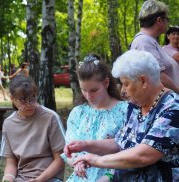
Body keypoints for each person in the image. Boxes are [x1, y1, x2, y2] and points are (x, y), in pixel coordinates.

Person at [64, 50, 179, 182]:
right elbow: (120, 142)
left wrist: (97, 160)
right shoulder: (136, 106)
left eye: (126, 84)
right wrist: (85, 145)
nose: (122, 91)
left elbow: (145, 154)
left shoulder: (172, 107)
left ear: (143, 81)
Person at [61, 54, 128, 182]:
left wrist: (108, 176)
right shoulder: (78, 113)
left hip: (114, 176)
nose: (88, 95)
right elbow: (69, 151)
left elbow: (128, 150)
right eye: (83, 90)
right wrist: (77, 162)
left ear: (106, 83)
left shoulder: (125, 110)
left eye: (93, 90)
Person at [1, 75, 65, 182]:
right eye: (23, 100)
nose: (29, 104)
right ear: (12, 98)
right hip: (21, 178)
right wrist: (8, 178)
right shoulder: (8, 124)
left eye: (32, 98)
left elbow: (61, 159)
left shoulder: (50, 117)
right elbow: (11, 163)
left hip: (50, 177)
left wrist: (38, 180)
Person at [130, 0, 179, 94]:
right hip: (163, 104)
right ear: (159, 20)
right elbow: (157, 76)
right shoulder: (143, 42)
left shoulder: (150, 41)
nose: (168, 23)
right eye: (167, 19)